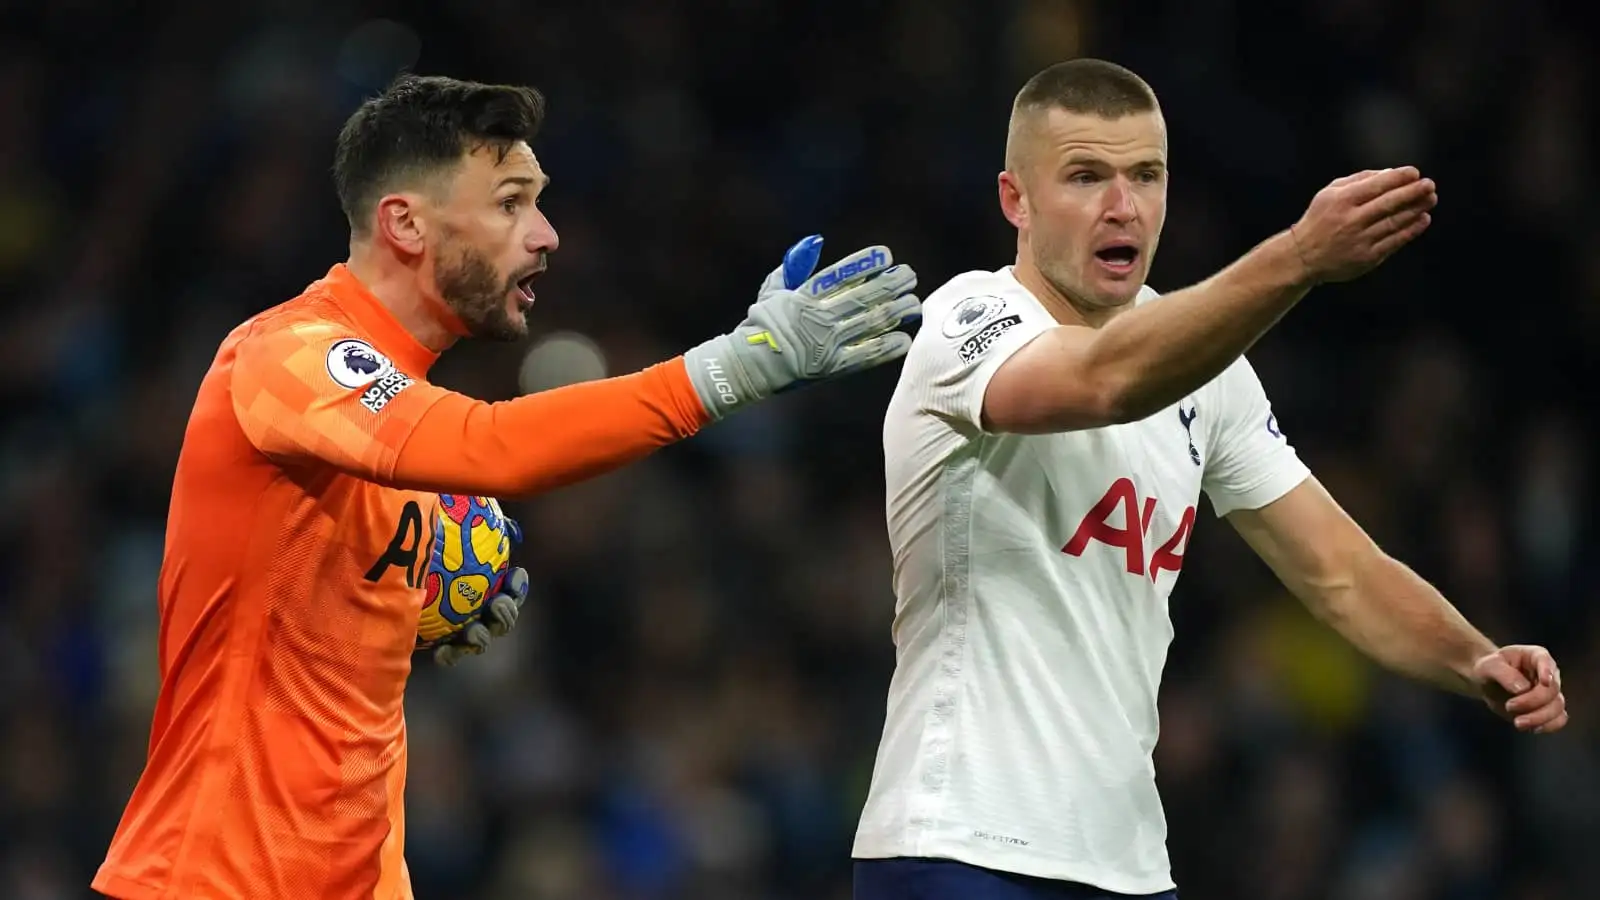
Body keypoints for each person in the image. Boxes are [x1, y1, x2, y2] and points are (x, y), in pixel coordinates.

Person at [92, 73, 921, 900]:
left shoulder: (401, 437)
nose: (546, 234)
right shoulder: (287, 355)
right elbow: (488, 445)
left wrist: (414, 600)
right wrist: (727, 370)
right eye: (510, 204)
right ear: (406, 223)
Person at [853, 58, 1567, 900]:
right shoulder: (965, 320)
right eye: (1085, 176)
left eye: (1146, 176)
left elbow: (1341, 571)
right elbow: (1104, 384)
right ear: (1017, 199)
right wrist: (1298, 256)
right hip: (960, 845)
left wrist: (1474, 656)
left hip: (1128, 865)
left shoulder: (1209, 372)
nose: (1124, 206)